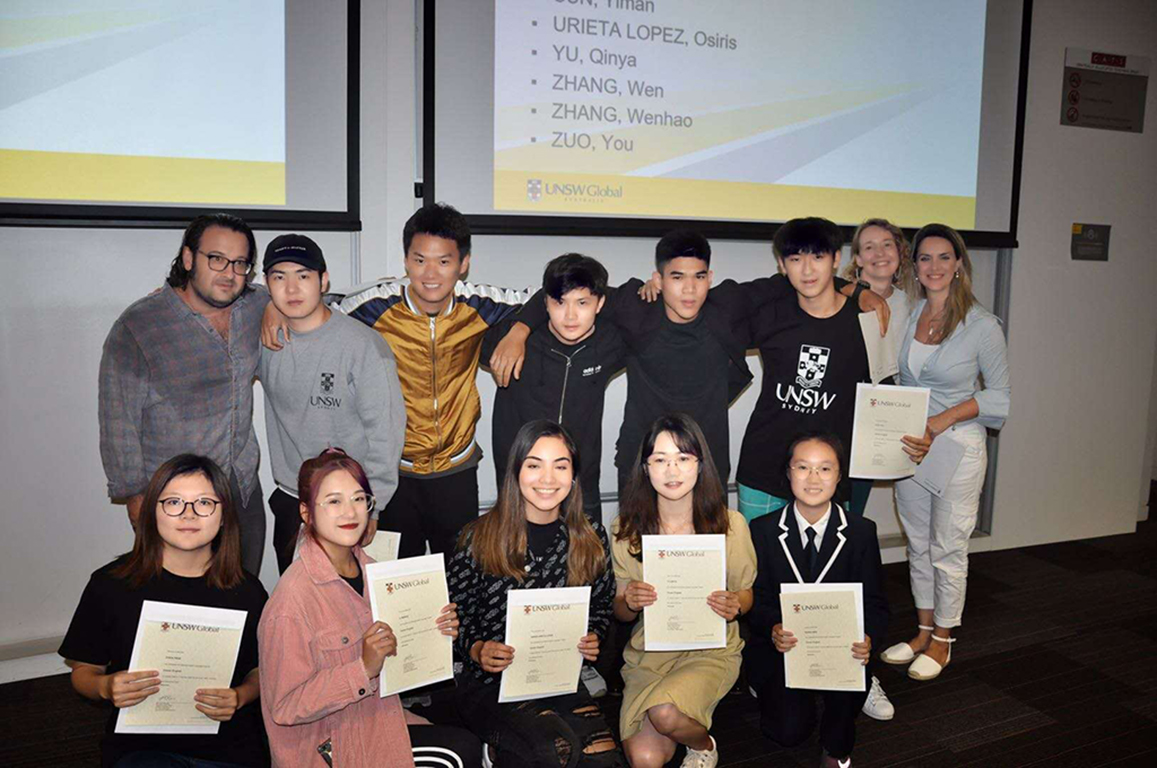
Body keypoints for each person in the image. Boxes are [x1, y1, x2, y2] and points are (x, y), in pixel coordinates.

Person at [267, 203, 532, 559]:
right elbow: (315, 303)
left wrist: (520, 330)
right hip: (394, 474)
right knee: (395, 581)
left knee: (460, 577)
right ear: (406, 261)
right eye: (419, 260)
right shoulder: (376, 303)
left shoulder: (478, 302)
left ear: (463, 264)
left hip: (456, 469)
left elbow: (542, 297)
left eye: (444, 261)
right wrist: (270, 307)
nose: (430, 274)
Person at [257, 449, 481, 767]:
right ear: (306, 512)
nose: (350, 512)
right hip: (332, 746)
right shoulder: (290, 603)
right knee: (459, 753)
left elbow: (396, 663)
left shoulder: (374, 571)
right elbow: (285, 706)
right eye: (334, 501)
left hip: (375, 713)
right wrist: (363, 668)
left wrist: (434, 634)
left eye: (359, 499)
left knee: (466, 714)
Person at [60, 454, 268, 768]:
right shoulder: (111, 584)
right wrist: (106, 687)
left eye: (204, 503)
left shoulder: (248, 591)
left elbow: (261, 670)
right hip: (143, 746)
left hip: (230, 744)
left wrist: (241, 695)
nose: (189, 514)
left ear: (225, 515)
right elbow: (84, 671)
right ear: (152, 512)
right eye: (173, 503)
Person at [100, 213, 269, 575]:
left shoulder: (256, 306)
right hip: (175, 498)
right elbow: (118, 420)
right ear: (189, 258)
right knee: (181, 600)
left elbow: (306, 297)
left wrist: (279, 312)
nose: (229, 273)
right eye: (217, 259)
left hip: (240, 486)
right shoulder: (140, 325)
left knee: (243, 593)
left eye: (240, 263)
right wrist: (136, 496)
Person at [448, 420, 624, 767]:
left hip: (559, 678)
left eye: (560, 466)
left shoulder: (590, 536)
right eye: (534, 465)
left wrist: (594, 635)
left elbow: (602, 605)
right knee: (555, 749)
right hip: (490, 684)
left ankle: (502, 751)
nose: (548, 478)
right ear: (516, 472)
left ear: (574, 476)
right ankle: (498, 745)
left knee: (603, 759)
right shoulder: (477, 538)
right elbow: (453, 619)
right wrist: (477, 649)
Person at [883, 223, 1010, 681]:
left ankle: (943, 639)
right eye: (924, 258)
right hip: (912, 449)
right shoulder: (909, 312)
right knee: (917, 542)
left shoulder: (982, 325)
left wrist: (940, 421)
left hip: (957, 447)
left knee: (947, 548)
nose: (933, 266)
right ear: (914, 265)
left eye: (943, 257)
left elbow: (999, 397)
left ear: (958, 264)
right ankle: (922, 630)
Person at [612, 414, 756, 768]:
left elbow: (746, 594)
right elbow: (621, 613)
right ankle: (684, 727)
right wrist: (630, 601)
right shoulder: (625, 529)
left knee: (664, 713)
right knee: (645, 758)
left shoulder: (730, 525)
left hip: (710, 648)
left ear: (700, 464)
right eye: (660, 460)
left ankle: (704, 745)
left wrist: (735, 604)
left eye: (683, 458)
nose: (672, 470)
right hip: (651, 650)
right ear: (645, 468)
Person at [258, 234, 406, 574]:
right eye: (279, 277)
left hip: (354, 502)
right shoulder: (264, 339)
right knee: (298, 603)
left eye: (303, 276)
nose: (291, 288)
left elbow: (386, 433)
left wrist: (373, 505)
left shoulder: (363, 346)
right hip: (293, 501)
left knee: (360, 602)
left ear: (323, 281)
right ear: (267, 285)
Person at [745, 433, 890, 768]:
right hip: (786, 648)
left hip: (841, 649)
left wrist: (869, 637)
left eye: (825, 468)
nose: (813, 478)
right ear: (788, 472)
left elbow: (876, 603)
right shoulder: (763, 530)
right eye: (802, 467)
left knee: (844, 700)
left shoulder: (860, 531)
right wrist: (773, 627)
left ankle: (837, 750)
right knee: (787, 733)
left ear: (839, 476)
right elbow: (757, 598)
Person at [734, 217, 874, 524]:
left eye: (818, 257)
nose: (807, 270)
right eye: (796, 259)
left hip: (827, 474)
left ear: (836, 259)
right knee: (758, 555)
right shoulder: (769, 314)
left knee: (827, 556)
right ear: (782, 265)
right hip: (764, 467)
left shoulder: (865, 321)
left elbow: (887, 393)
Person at [482, 253, 626, 523]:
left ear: (599, 304)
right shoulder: (510, 340)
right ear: (545, 303)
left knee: (586, 550)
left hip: (580, 484)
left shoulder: (612, 342)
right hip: (520, 483)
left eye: (582, 303)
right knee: (513, 551)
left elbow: (637, 305)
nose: (570, 315)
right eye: (560, 302)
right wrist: (518, 330)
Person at [839, 218, 918, 518]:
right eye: (869, 247)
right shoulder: (838, 298)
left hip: (877, 421)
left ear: (899, 253)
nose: (880, 253)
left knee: (853, 513)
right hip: (836, 416)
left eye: (887, 245)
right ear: (858, 259)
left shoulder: (913, 305)